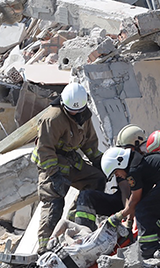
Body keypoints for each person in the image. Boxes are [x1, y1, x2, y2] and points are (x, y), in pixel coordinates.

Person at [31, 82, 105, 253]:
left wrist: (101, 163)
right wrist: (53, 175)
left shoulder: (84, 115)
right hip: (49, 162)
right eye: (72, 110)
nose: (75, 113)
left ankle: (76, 225)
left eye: (78, 110)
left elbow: (90, 143)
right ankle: (44, 247)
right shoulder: (52, 118)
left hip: (70, 161)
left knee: (96, 180)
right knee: (54, 201)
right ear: (63, 104)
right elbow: (45, 149)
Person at [100, 146, 160, 258]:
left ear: (120, 162)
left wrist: (116, 217)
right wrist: (129, 221)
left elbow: (134, 201)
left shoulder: (133, 171)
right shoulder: (141, 163)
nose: (117, 176)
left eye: (115, 172)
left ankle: (148, 249)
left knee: (143, 210)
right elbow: (137, 198)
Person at [73, 124, 146, 230]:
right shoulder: (123, 162)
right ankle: (84, 232)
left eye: (124, 148)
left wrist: (129, 217)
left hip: (143, 204)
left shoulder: (147, 161)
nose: (123, 152)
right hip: (126, 204)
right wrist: (125, 214)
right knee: (87, 196)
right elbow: (125, 190)